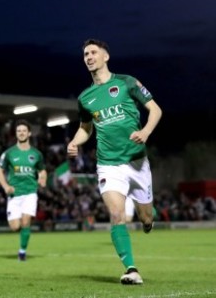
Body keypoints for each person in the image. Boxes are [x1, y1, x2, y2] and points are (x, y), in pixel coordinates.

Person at [67, 38, 162, 285]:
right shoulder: (85, 98)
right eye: (85, 54)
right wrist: (75, 142)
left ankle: (149, 218)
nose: (88, 57)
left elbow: (155, 110)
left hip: (137, 162)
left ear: (106, 56)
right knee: (117, 215)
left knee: (146, 218)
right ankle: (131, 269)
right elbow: (85, 129)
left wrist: (146, 132)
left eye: (93, 52)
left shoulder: (127, 82)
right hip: (109, 163)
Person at [0, 120, 46, 261]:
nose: (21, 133)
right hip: (14, 194)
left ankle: (22, 252)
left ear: (29, 133)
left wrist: (42, 179)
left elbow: (42, 171)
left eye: (24, 130)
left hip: (30, 192)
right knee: (15, 226)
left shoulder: (36, 154)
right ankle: (22, 234)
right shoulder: (9, 153)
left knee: (25, 222)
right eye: (19, 131)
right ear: (16, 134)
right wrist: (5, 186)